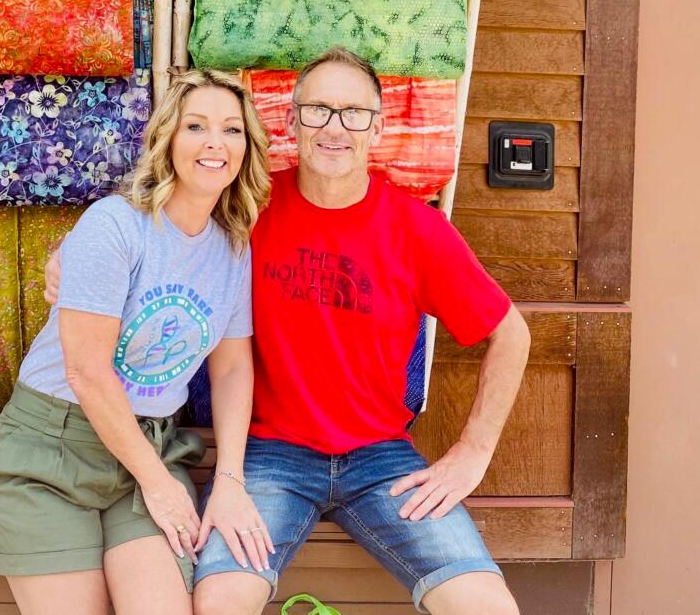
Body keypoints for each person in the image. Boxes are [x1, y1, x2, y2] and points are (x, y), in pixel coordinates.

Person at [46, 48, 531, 615]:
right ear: (292, 121)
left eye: (353, 113)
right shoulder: (246, 205)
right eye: (318, 109)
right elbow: (158, 224)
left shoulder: (416, 228)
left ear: (376, 126)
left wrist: (474, 450)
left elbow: (510, 333)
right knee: (220, 601)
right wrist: (68, 255)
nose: (334, 127)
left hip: (381, 458)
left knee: (486, 605)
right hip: (269, 455)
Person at [0, 69, 274, 615]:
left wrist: (230, 480)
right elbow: (87, 372)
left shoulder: (233, 249)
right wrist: (158, 485)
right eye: (196, 126)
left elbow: (233, 368)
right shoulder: (116, 226)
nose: (215, 143)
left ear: (246, 148)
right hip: (53, 447)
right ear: (166, 140)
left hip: (153, 445)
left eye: (232, 130)